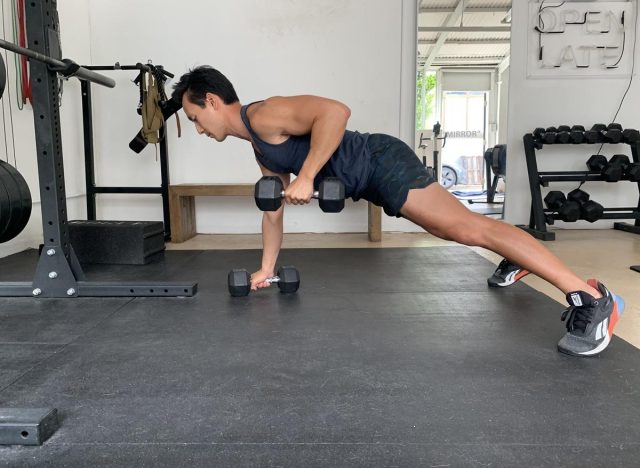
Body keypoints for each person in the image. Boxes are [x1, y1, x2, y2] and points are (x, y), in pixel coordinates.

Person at [171, 66, 624, 358]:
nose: (196, 128)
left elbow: (335, 111)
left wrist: (308, 174)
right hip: (372, 179)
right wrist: (265, 269)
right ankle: (519, 256)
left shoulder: (265, 115)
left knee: (470, 230)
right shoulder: (259, 147)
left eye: (193, 117)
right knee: (462, 231)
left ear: (211, 101)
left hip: (381, 162)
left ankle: (591, 299)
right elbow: (273, 210)